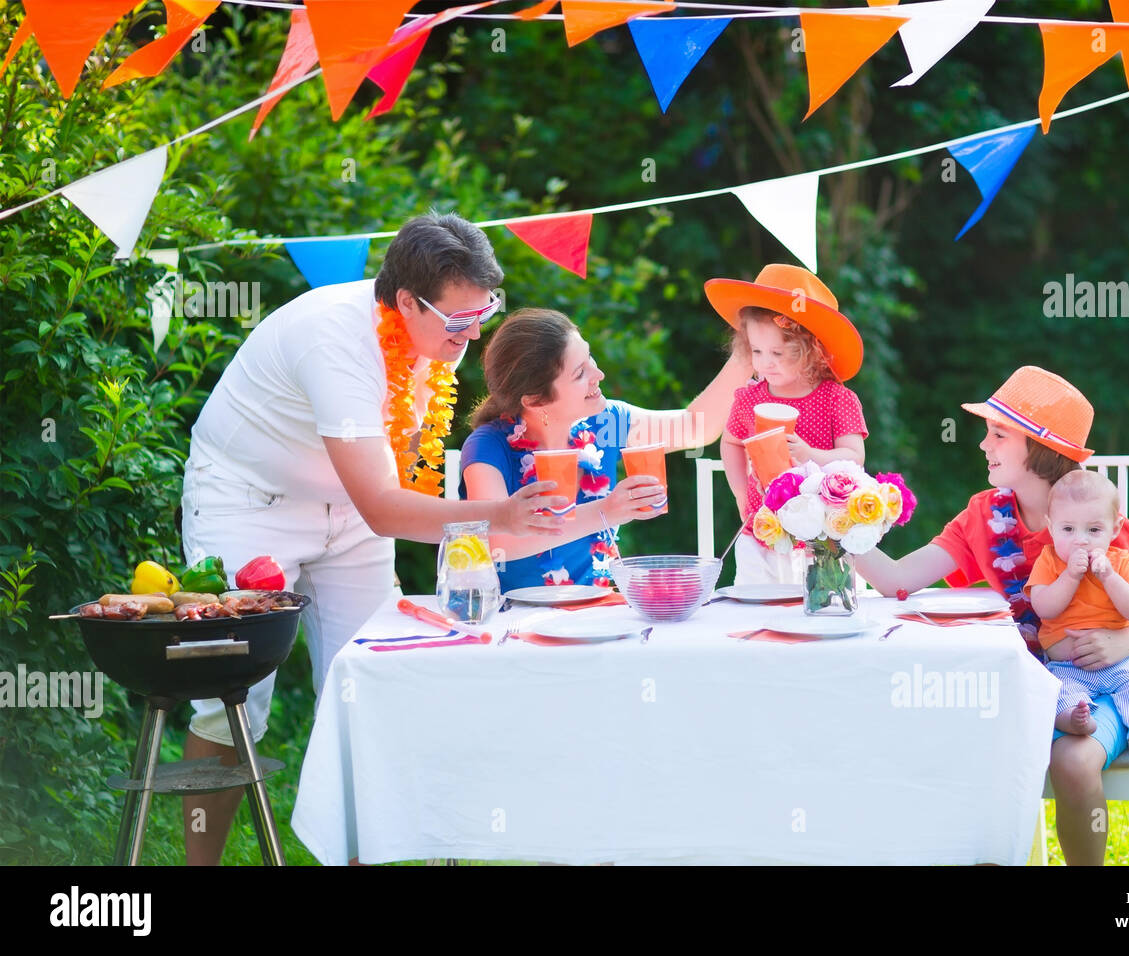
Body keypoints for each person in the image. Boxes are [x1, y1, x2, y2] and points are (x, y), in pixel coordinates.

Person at [179, 213, 565, 865]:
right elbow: (387, 509)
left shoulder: (438, 336)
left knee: (370, 687)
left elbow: (388, 476)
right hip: (249, 502)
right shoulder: (334, 339)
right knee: (231, 701)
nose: (474, 332)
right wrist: (497, 516)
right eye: (459, 320)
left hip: (353, 510)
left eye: (485, 311)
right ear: (408, 302)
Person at [850, 366, 1129, 865]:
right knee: (943, 736)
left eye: (999, 434)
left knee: (1073, 760)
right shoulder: (984, 517)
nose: (984, 445)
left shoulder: (1094, 523)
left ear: (1041, 449)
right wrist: (836, 525)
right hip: (1021, 682)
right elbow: (896, 579)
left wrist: (1121, 644)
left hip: (1109, 681)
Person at [460, 308, 753, 588]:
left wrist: (750, 348)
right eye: (579, 373)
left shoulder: (606, 424)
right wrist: (606, 511)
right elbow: (499, 542)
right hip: (511, 624)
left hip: (596, 612)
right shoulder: (488, 447)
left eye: (590, 358)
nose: (598, 374)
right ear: (536, 400)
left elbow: (694, 427)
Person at [705, 264, 868, 584]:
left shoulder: (836, 398)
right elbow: (731, 442)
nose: (765, 362)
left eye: (777, 352)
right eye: (756, 351)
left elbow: (854, 458)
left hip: (822, 538)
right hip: (761, 530)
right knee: (756, 609)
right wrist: (740, 492)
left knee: (819, 615)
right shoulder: (749, 399)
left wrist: (811, 454)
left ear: (810, 351)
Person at [1027, 469, 1129, 781]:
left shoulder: (1120, 561)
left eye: (1094, 530)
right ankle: (1075, 721)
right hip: (1068, 666)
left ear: (1115, 528)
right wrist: (1070, 576)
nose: (1080, 540)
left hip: (1122, 661)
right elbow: (1044, 607)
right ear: (1051, 527)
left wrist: (1109, 576)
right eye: (1068, 529)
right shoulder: (1049, 562)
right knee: (1054, 695)